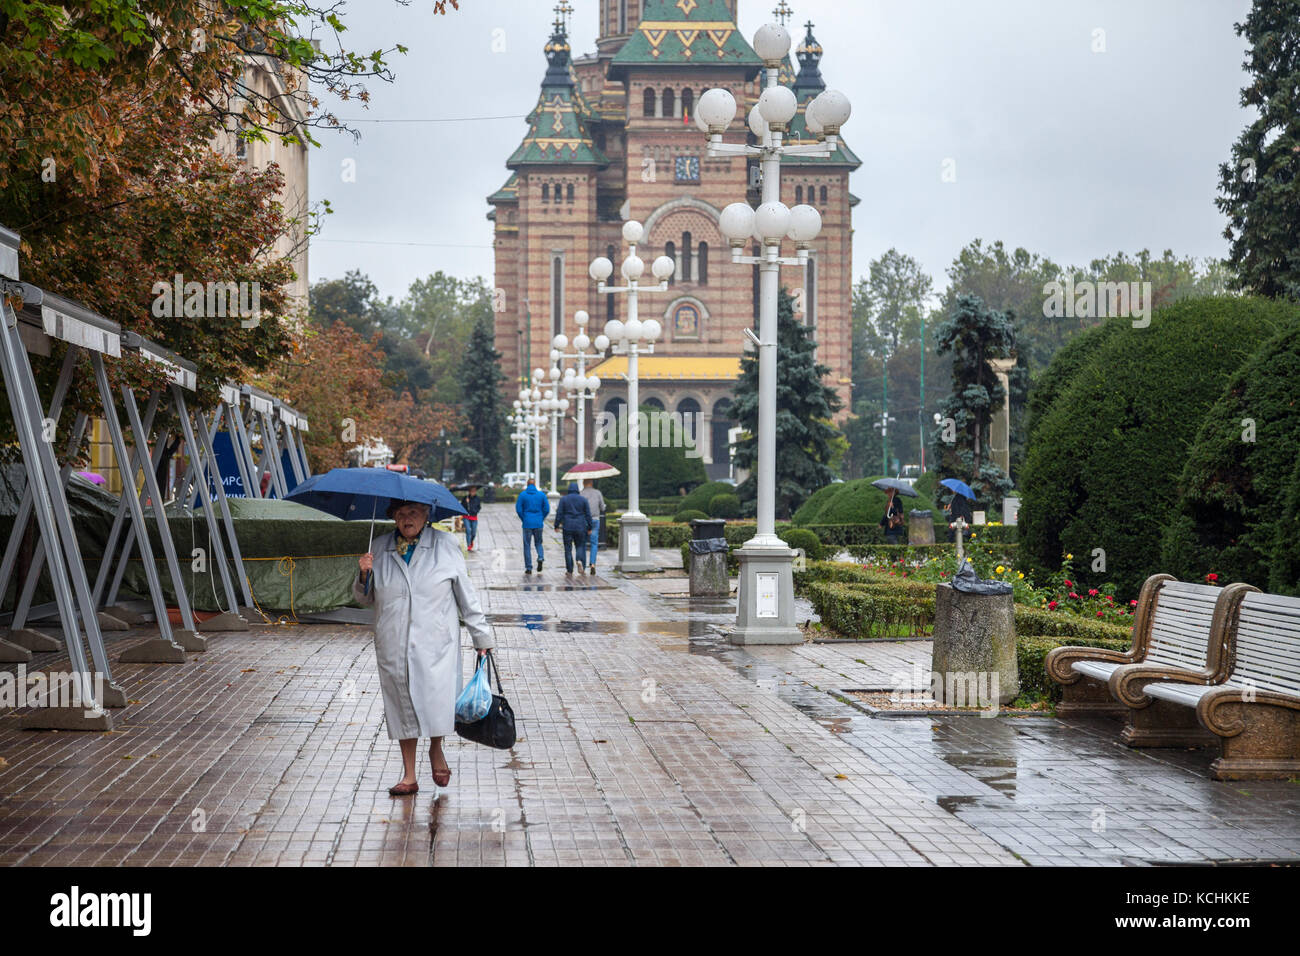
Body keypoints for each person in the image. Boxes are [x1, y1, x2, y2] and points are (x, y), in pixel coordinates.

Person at [353, 500, 492, 796]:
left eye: (413, 512)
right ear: (392, 517)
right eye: (401, 514)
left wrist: (482, 639)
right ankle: (409, 774)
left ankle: (437, 749)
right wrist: (364, 574)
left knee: (435, 702)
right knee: (402, 704)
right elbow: (365, 598)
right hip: (393, 639)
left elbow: (465, 594)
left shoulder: (445, 545)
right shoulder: (378, 547)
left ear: (427, 515)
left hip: (436, 641)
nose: (407, 519)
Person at [554, 481, 593, 574]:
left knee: (568, 549)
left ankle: (569, 570)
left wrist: (556, 525)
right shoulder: (583, 500)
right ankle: (579, 560)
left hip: (567, 526)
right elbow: (588, 514)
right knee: (580, 545)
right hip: (580, 526)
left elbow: (559, 513)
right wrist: (590, 527)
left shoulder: (564, 499)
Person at [514, 475, 549, 573]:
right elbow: (547, 509)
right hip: (538, 523)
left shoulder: (522, 495)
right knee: (538, 543)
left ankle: (529, 568)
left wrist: (524, 518)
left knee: (527, 545)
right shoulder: (541, 495)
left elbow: (518, 509)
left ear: (527, 485)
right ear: (535, 485)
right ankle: (541, 557)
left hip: (527, 523)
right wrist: (541, 518)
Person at [580, 478, 606, 575]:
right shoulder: (598, 493)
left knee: (582, 543)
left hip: (583, 521)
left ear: (583, 483)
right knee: (594, 543)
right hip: (595, 520)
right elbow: (602, 507)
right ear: (592, 483)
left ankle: (582, 564)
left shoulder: (580, 494)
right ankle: (592, 564)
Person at [461, 485, 481, 551]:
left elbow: (479, 507)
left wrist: (475, 511)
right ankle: (468, 545)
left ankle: (471, 540)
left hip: (474, 517)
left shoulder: (477, 498)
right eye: (472, 491)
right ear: (469, 491)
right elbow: (462, 507)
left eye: (474, 491)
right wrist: (466, 503)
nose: (473, 492)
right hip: (466, 516)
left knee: (474, 533)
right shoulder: (465, 498)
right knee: (468, 530)